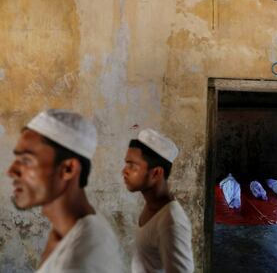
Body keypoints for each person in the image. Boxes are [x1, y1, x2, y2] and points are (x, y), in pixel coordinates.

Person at [8, 109, 123, 273]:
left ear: (68, 169)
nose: (11, 171)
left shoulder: (80, 261)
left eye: (26, 160)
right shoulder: (66, 230)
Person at [122, 128, 194, 273]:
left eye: (132, 165)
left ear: (156, 173)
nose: (124, 171)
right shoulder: (152, 206)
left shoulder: (171, 222)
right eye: (126, 163)